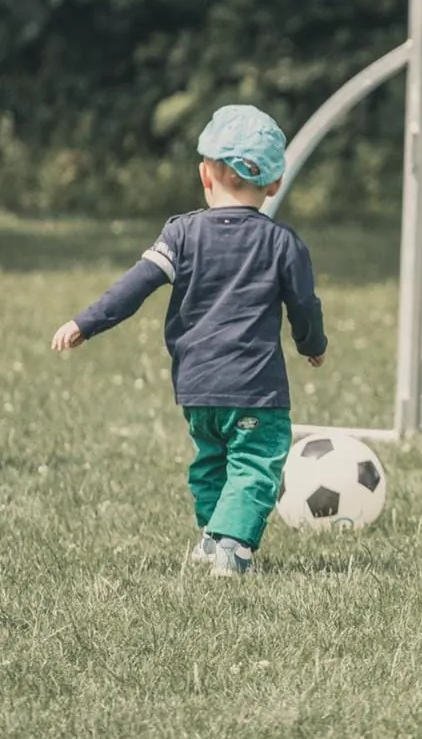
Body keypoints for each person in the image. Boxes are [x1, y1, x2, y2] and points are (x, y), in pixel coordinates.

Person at [50, 105, 327, 576]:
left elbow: (134, 286)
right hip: (255, 387)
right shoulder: (282, 243)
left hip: (196, 385)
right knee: (255, 463)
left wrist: (86, 322)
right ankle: (234, 547)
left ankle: (212, 536)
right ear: (275, 185)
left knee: (212, 459)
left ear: (205, 173)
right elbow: (304, 304)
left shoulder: (180, 235)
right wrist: (311, 344)